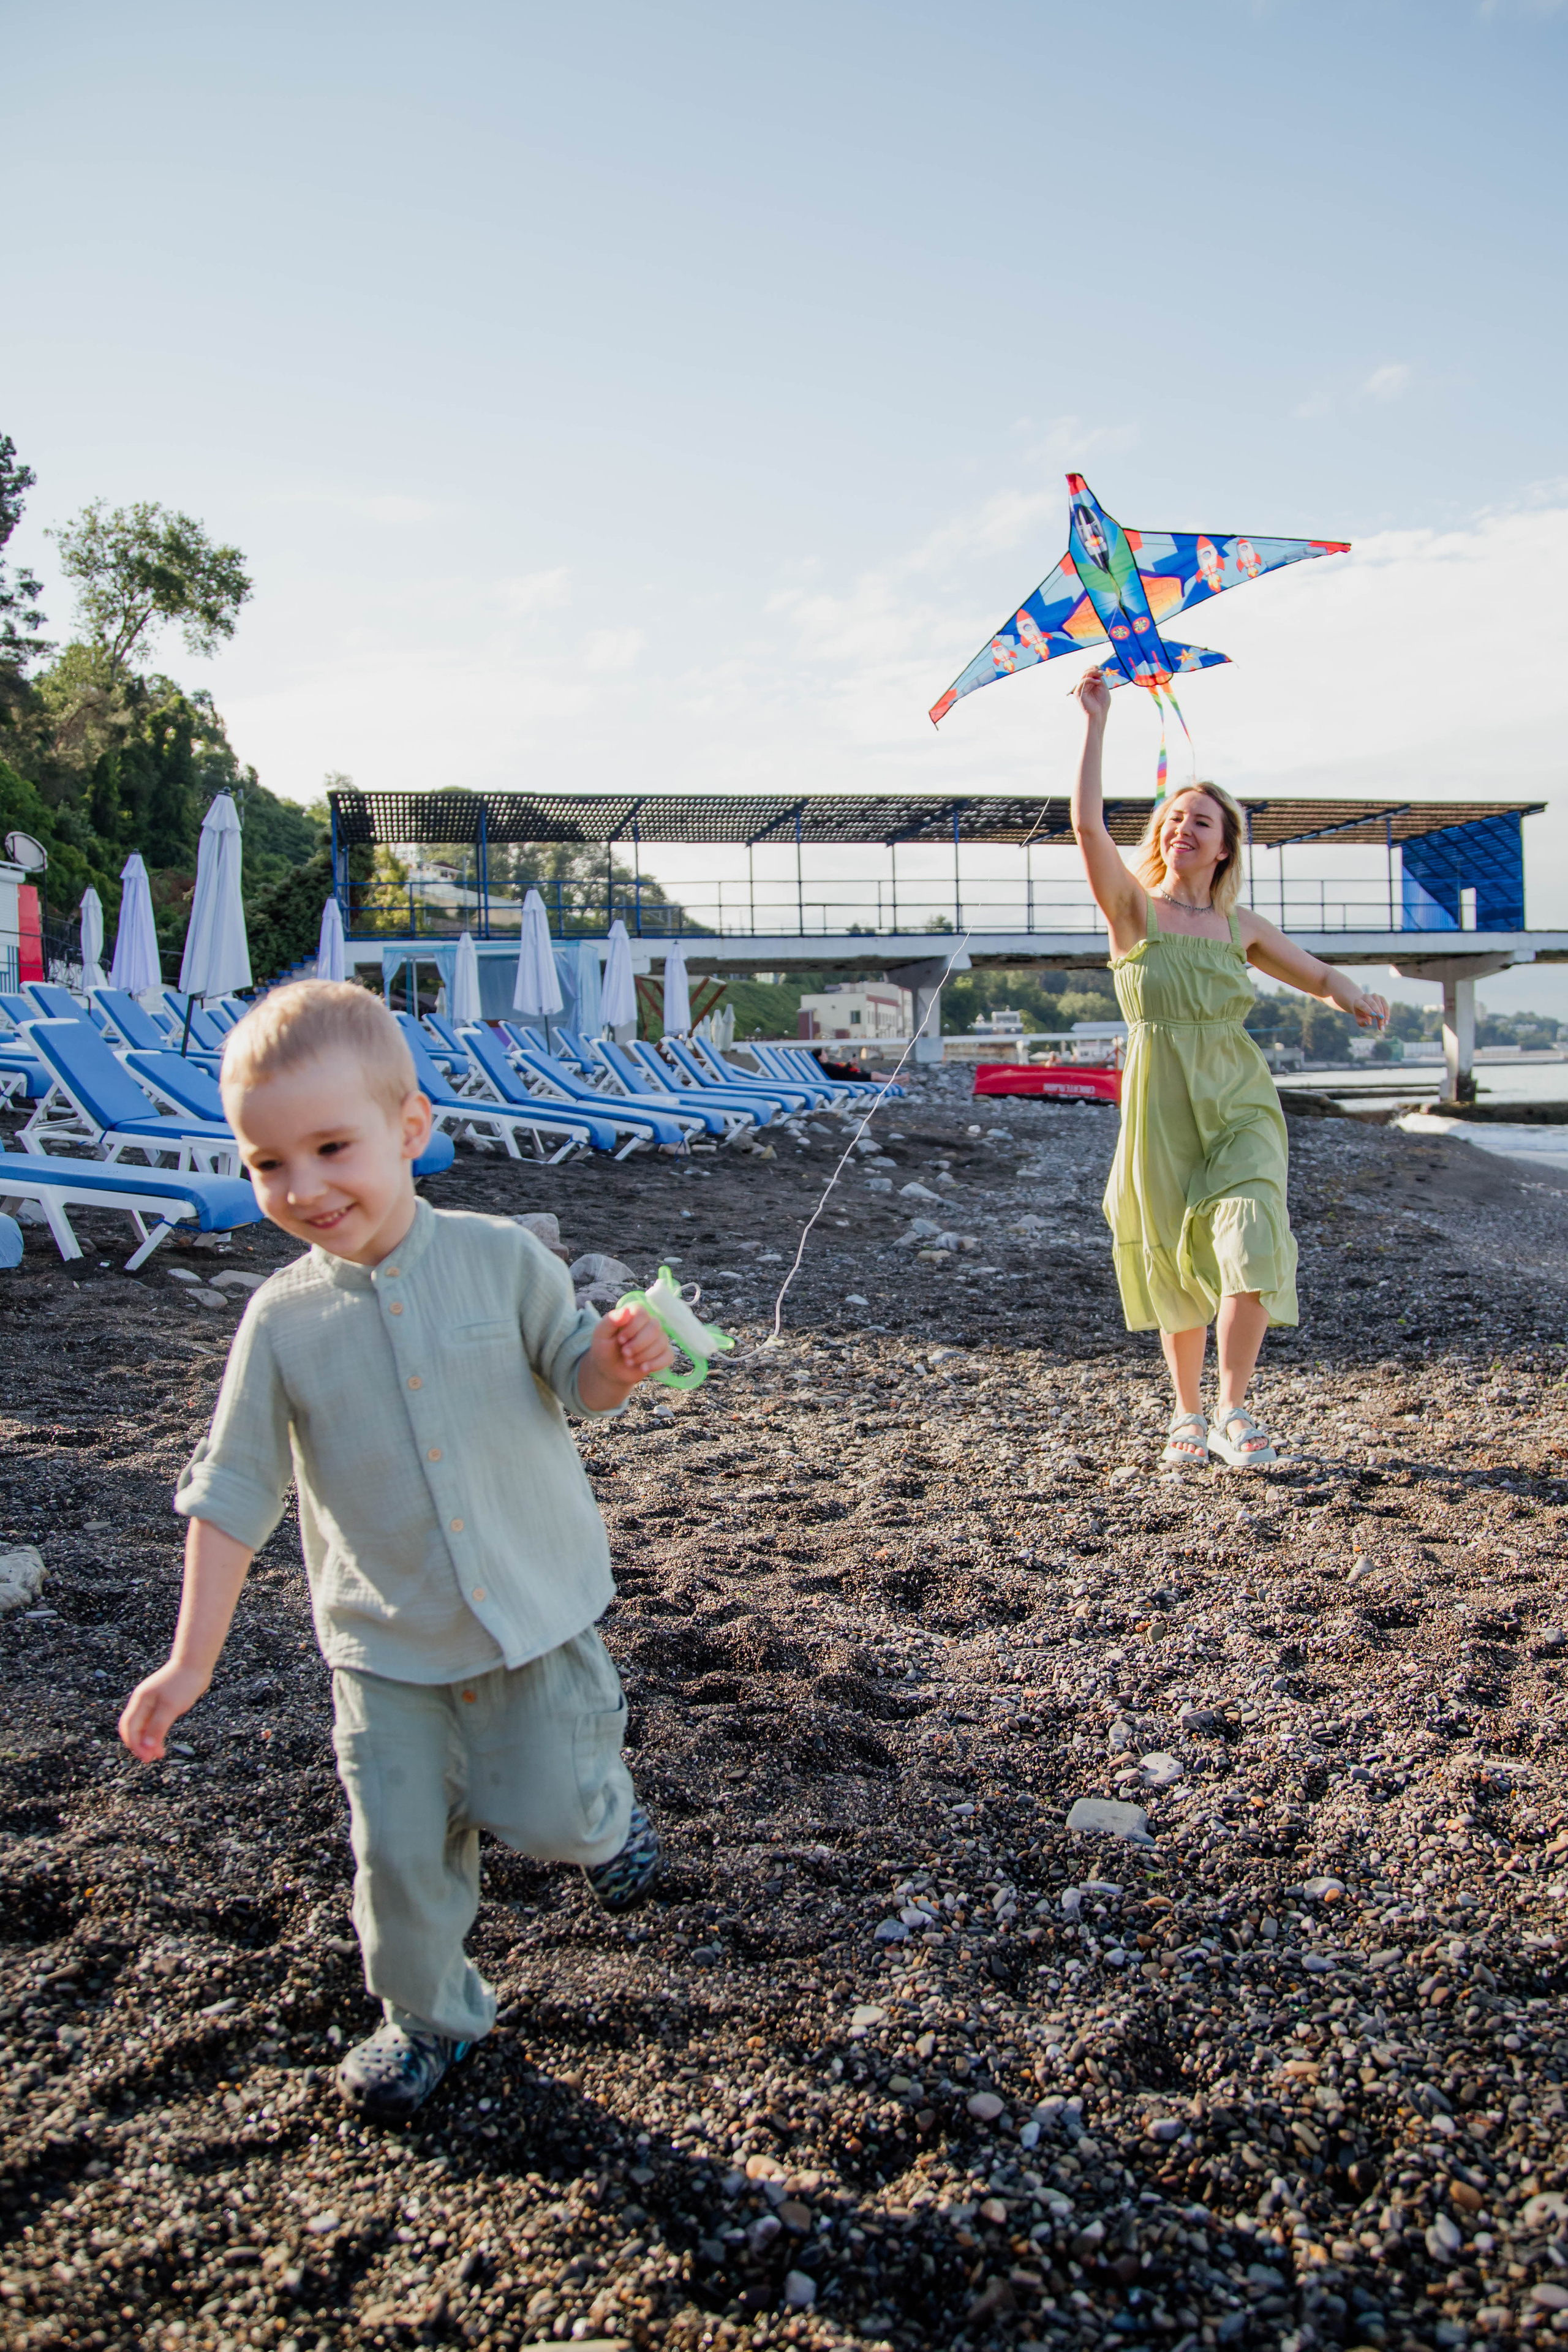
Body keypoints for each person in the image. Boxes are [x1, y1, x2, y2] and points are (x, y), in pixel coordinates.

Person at [117, 981, 674, 2122]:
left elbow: (576, 1374)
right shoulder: (280, 1322)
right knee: (401, 1865)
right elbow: (232, 1494)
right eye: (269, 1162)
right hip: (384, 1648)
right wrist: (190, 1662)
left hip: (534, 1615)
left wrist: (619, 1363)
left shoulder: (502, 1257)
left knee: (561, 1814)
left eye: (333, 1147)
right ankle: (430, 2017)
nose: (304, 1187)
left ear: (410, 1131)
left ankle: (612, 1820)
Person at [1071, 667, 1387, 1468]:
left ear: (1225, 844)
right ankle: (1187, 1414)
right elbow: (1087, 831)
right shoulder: (1132, 911)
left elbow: (1314, 973)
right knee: (1174, 1255)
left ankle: (1235, 1412)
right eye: (1175, 817)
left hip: (1240, 1103)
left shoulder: (1237, 922)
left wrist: (1354, 996)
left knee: (1251, 1234)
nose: (1184, 828)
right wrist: (1096, 725)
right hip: (1161, 1108)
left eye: (1201, 821)